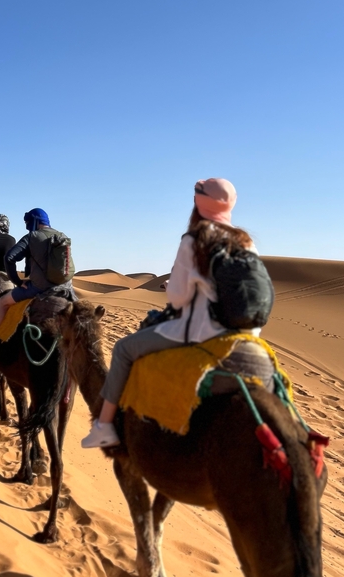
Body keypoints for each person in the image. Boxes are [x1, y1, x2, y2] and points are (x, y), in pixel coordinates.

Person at [82, 177, 259, 448]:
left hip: (200, 332)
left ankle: (104, 425)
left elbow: (178, 299)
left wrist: (171, 287)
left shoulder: (196, 239)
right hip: (245, 335)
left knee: (124, 350)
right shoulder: (246, 242)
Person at [0, 208, 73, 354]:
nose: (27, 227)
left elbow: (9, 258)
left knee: (3, 302)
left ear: (34, 221)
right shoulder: (62, 236)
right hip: (66, 289)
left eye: (28, 223)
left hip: (38, 288)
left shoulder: (32, 237)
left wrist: (16, 281)